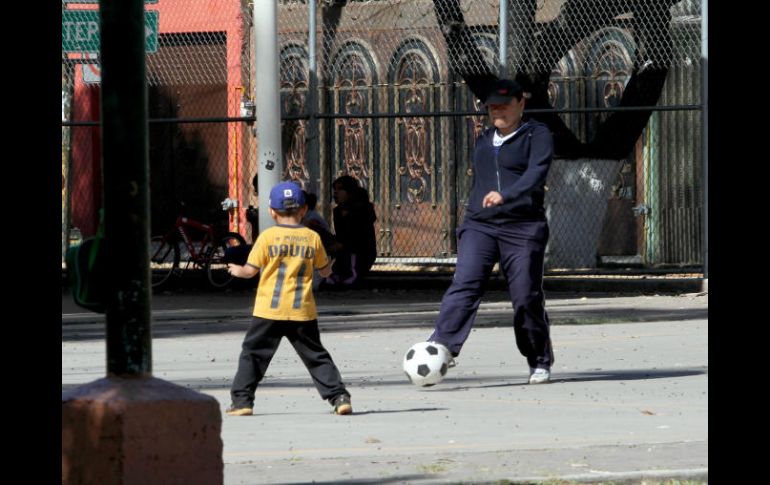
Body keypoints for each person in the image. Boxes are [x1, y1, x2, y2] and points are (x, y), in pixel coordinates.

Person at [427, 78, 555, 385]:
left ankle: (538, 359)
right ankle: (441, 346)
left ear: (521, 103)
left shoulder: (537, 135)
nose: (497, 112)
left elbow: (536, 173)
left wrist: (506, 195)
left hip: (523, 226)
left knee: (525, 296)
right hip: (481, 225)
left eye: (504, 106)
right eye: (492, 107)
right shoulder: (484, 139)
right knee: (465, 284)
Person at [224, 181, 353, 416]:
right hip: (302, 310)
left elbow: (250, 271)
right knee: (316, 356)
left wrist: (236, 270)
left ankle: (242, 401)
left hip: (268, 311)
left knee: (253, 354)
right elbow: (324, 271)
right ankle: (339, 396)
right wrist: (329, 268)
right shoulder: (312, 238)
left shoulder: (267, 237)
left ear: (272, 212)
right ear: (303, 210)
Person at [327, 175, 377, 286]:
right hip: (344, 251)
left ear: (350, 192)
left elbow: (359, 238)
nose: (336, 192)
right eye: (335, 189)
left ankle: (350, 276)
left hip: (360, 252)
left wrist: (342, 245)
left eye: (340, 189)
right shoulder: (337, 211)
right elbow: (341, 234)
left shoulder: (362, 210)